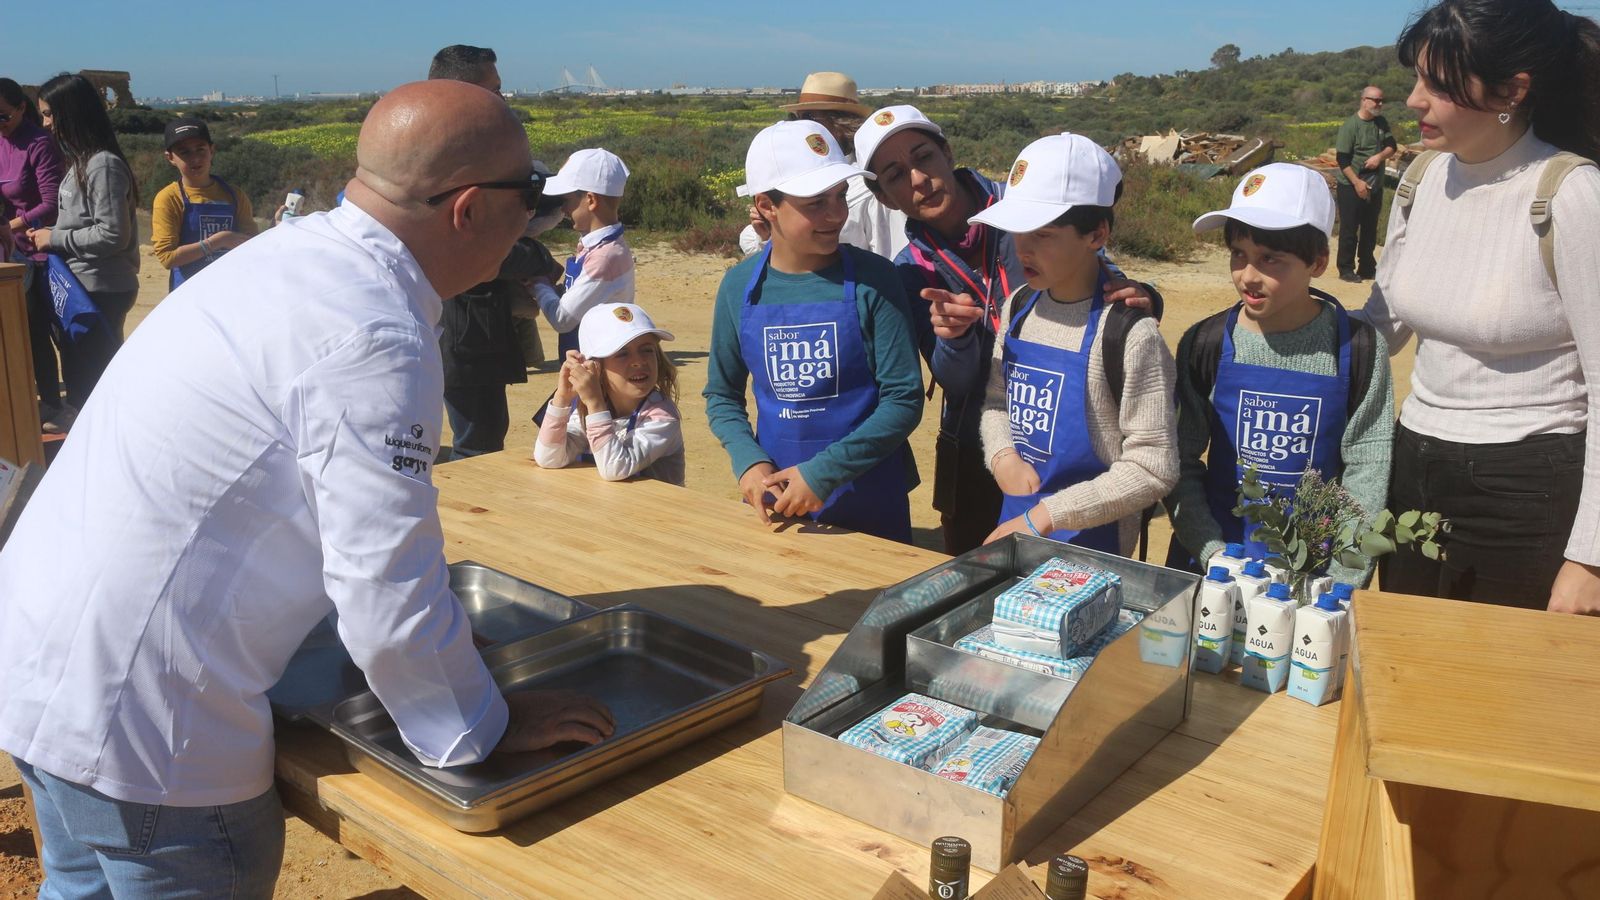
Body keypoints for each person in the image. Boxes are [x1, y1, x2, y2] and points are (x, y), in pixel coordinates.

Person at [0, 80, 615, 895]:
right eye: (527, 199)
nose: (529, 224)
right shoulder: (376, 331)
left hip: (41, 664)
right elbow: (382, 583)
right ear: (467, 208)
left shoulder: (290, 256)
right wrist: (477, 725)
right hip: (154, 735)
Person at [1360, 0, 1600, 613]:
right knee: (1408, 666)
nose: (1414, 100)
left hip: (1530, 484)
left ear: (1512, 91)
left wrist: (1589, 557)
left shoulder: (1571, 195)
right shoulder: (1421, 181)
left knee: (1500, 691)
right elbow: (1378, 328)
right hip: (1412, 462)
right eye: (1416, 77)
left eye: (1437, 85)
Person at [851, 105, 1159, 554]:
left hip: (1066, 446)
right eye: (895, 175)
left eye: (923, 157)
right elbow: (956, 384)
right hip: (976, 450)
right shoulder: (910, 274)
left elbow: (1106, 281)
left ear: (947, 152)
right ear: (884, 198)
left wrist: (1145, 295)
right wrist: (953, 341)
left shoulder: (1024, 204)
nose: (917, 179)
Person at [1166, 163, 1394, 581]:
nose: (1248, 276)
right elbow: (1179, 457)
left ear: (1319, 262)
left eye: (1271, 259)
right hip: (1212, 568)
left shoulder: (1358, 349)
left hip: (1313, 577)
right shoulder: (1205, 342)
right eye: (1239, 254)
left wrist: (1339, 580)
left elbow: (1368, 465)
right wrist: (1212, 552)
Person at [705, 120, 923, 543]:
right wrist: (748, 462)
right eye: (816, 202)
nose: (836, 214)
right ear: (767, 204)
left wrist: (824, 472)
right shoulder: (739, 286)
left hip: (871, 498)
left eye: (840, 196)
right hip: (778, 505)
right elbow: (722, 394)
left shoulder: (876, 279)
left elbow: (904, 398)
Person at [970, 133, 1178, 552]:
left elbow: (1154, 466)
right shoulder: (1019, 307)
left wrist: (1048, 515)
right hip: (1018, 527)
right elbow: (997, 403)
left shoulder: (1129, 334)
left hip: (1091, 548)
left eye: (1043, 234)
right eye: (1016, 231)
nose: (1022, 248)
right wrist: (1002, 457)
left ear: (1096, 234)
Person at [428, 43, 562, 457]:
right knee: (479, 443)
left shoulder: (451, 149)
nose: (502, 100)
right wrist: (540, 261)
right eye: (494, 90)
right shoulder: (446, 160)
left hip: (471, 327)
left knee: (482, 433)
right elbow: (469, 245)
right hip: (462, 330)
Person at [26, 73, 140, 414]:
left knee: (95, 386)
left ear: (71, 112)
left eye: (49, 114)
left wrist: (54, 238)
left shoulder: (102, 165)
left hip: (101, 288)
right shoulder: (81, 162)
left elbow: (112, 234)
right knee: (81, 380)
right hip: (83, 286)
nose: (45, 124)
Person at [738, 71, 907, 261]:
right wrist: (768, 234)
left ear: (843, 122)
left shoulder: (869, 185)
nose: (801, 125)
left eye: (810, 117)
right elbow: (752, 241)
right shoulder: (790, 172)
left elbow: (893, 256)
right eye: (797, 117)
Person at [535, 301, 684, 485]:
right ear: (593, 367)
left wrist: (595, 404)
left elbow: (616, 468)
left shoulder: (661, 416)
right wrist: (562, 399)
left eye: (647, 349)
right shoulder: (587, 408)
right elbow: (549, 458)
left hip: (658, 512)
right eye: (622, 353)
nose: (638, 361)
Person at [0, 77, 68, 431]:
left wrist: (9, 226)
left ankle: (54, 406)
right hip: (9, 255)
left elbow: (50, 202)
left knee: (39, 333)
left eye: (3, 117)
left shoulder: (39, 142)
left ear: (22, 108)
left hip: (39, 253)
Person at [532, 148, 636, 358]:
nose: (564, 210)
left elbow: (562, 319)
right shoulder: (603, 248)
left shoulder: (605, 258)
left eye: (567, 201)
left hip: (595, 367)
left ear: (590, 200)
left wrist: (539, 285)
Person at [151, 116, 257, 291]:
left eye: (201, 149)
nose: (195, 159)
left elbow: (251, 244)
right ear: (170, 157)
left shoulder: (235, 194)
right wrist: (218, 241)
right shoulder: (169, 198)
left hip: (231, 289)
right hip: (188, 294)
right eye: (184, 152)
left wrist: (276, 227)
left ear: (212, 150)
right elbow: (167, 257)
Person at [1333, 86, 1398, 282]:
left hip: (1375, 184)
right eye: (1375, 100)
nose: (1379, 104)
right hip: (1351, 184)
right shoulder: (1350, 126)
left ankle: (1367, 267)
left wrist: (1379, 157)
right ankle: (1345, 269)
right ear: (1363, 100)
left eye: (1381, 100)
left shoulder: (1380, 123)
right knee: (1349, 229)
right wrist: (1357, 183)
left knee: (1370, 228)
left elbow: (1392, 146)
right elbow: (1342, 159)